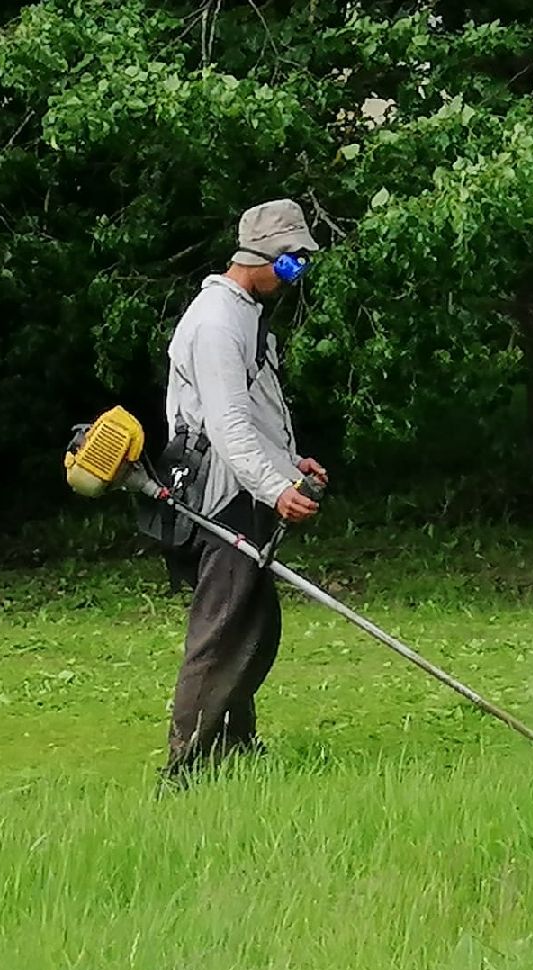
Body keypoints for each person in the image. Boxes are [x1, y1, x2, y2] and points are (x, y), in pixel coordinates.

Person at [152, 198, 328, 785]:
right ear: (261, 256)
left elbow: (256, 414)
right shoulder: (215, 323)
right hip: (219, 500)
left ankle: (236, 748)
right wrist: (276, 488)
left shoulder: (246, 314)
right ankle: (184, 769)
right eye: (289, 265)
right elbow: (226, 428)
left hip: (245, 491)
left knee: (253, 629)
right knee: (221, 632)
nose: (294, 277)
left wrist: (289, 463)